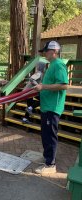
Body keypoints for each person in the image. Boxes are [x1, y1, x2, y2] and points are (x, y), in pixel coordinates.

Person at [34, 41, 68, 174]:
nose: (44, 53)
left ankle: (50, 165)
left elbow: (64, 85)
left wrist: (43, 87)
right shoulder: (51, 65)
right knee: (45, 134)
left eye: (46, 51)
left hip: (53, 108)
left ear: (53, 51)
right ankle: (47, 157)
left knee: (50, 136)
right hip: (46, 106)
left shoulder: (59, 65)